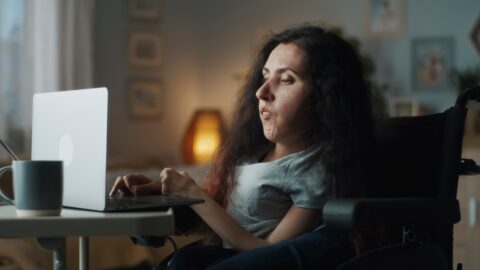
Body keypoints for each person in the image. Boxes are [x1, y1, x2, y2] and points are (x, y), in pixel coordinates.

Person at [110, 24, 374, 269]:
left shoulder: (317, 171)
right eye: (266, 76)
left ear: (324, 97)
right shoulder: (252, 152)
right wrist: (159, 190)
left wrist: (194, 194)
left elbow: (266, 250)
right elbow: (227, 212)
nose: (262, 92)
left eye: (286, 79)